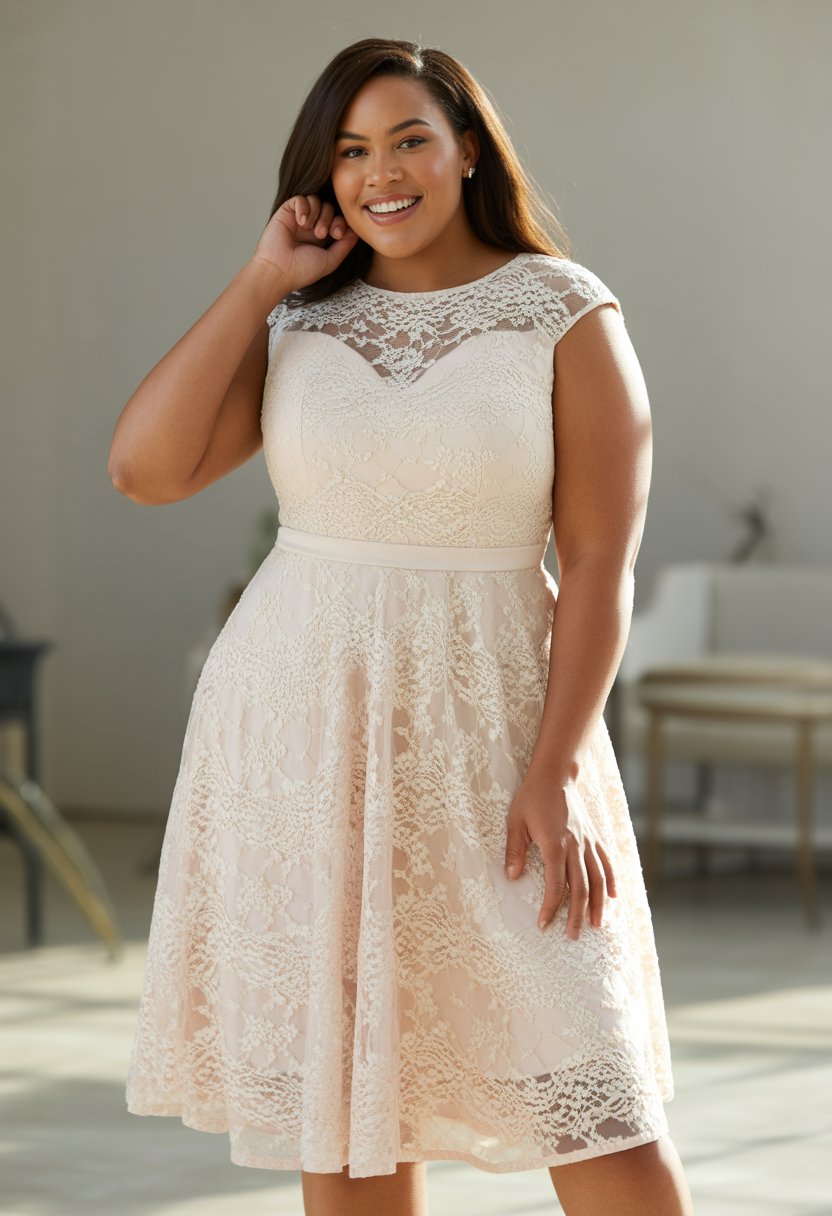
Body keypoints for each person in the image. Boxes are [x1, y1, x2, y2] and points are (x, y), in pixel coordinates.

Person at [111, 35, 694, 1216]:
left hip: (497, 740)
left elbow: (595, 562)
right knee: (352, 1111)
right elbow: (144, 467)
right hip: (301, 739)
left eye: (410, 139)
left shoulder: (563, 312)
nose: (382, 173)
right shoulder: (299, 324)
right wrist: (260, 280)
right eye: (351, 151)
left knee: (593, 1097)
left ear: (466, 149)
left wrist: (558, 764)